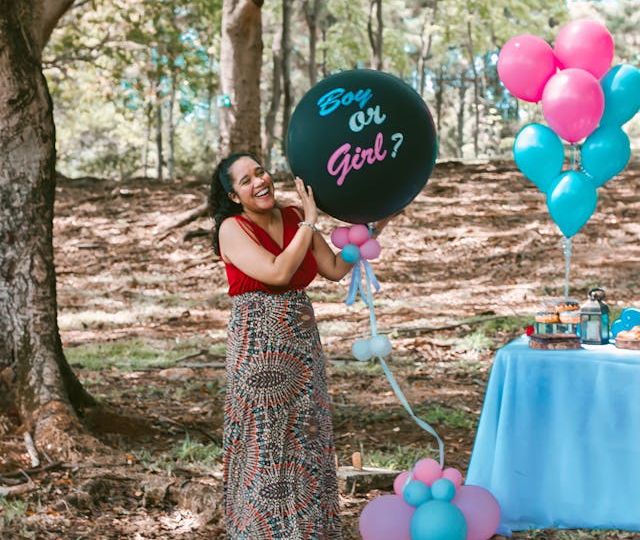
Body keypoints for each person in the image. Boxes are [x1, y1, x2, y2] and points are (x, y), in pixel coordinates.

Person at [210, 152, 393, 539]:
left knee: (306, 437)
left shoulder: (293, 216)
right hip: (258, 344)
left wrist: (377, 223)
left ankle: (309, 530)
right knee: (267, 439)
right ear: (234, 196)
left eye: (260, 172)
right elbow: (277, 272)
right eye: (245, 180)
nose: (259, 181)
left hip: (301, 340)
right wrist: (309, 224)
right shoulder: (232, 228)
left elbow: (334, 269)